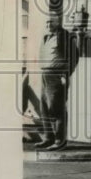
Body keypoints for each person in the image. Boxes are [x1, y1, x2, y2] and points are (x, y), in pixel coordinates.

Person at [36, 14, 73, 150]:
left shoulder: (64, 36)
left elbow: (74, 55)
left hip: (57, 75)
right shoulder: (46, 36)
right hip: (46, 74)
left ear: (58, 23)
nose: (48, 25)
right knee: (44, 108)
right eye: (46, 23)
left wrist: (66, 74)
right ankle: (48, 138)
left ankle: (60, 141)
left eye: (51, 22)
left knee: (56, 108)